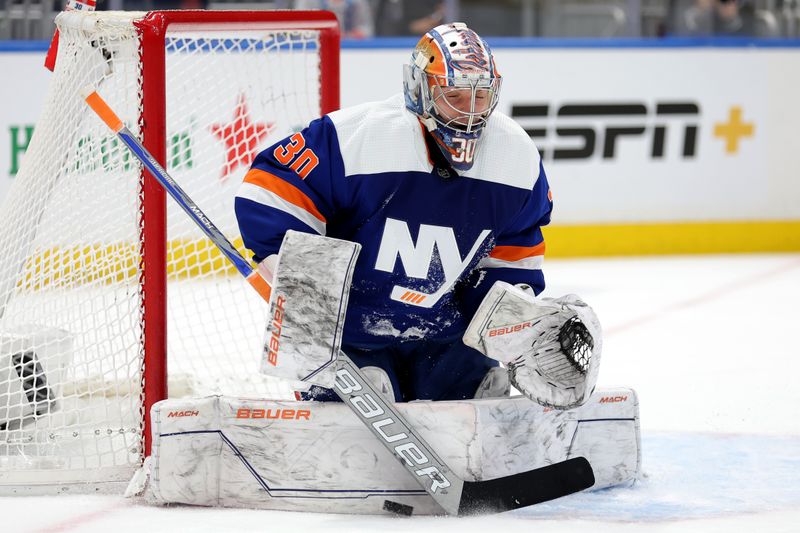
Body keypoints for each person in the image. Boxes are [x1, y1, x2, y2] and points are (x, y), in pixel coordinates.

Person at [235, 22, 553, 403]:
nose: (469, 112)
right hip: (348, 333)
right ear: (421, 88)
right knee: (362, 401)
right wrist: (299, 284)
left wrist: (515, 321)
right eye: (453, 95)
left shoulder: (515, 156)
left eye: (480, 96)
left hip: (444, 334)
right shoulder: (359, 135)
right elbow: (269, 190)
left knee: (480, 398)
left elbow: (514, 253)